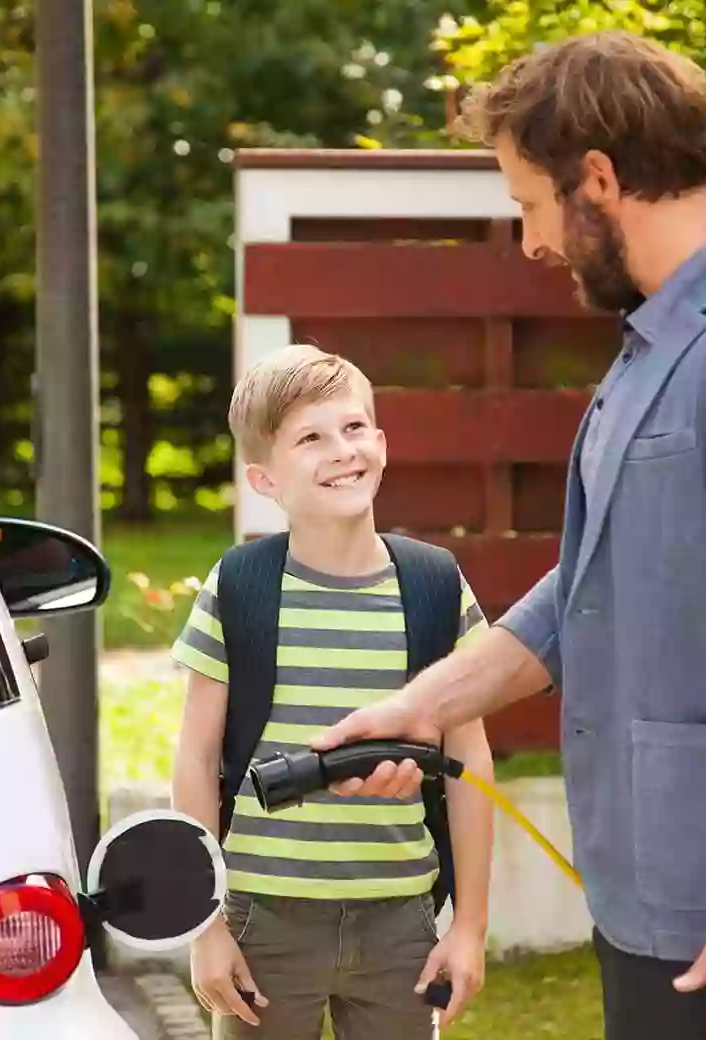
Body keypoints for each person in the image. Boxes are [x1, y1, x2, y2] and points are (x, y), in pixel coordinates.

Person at [308, 30, 706, 1040]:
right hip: (656, 884)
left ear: (596, 178)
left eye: (528, 205)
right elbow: (592, 583)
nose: (530, 241)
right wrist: (420, 704)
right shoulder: (661, 342)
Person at [169, 344, 498, 1038]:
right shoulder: (239, 589)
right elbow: (195, 763)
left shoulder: (436, 588)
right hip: (263, 920)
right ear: (264, 477)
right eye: (311, 439)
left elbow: (470, 764)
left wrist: (468, 927)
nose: (342, 451)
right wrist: (206, 929)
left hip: (400, 920)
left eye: (353, 429)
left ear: (380, 442)